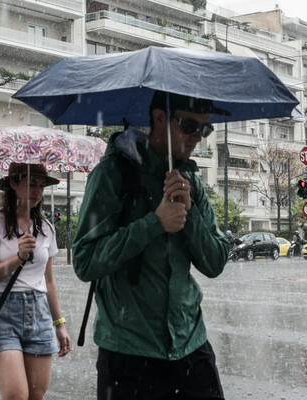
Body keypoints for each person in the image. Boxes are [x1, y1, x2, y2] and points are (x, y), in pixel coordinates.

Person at [73, 91, 230, 400]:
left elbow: (215, 262)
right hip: (129, 353)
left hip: (190, 345)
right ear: (159, 118)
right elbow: (85, 261)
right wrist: (154, 223)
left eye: (205, 128)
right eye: (189, 126)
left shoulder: (190, 181)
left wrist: (190, 213)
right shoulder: (112, 175)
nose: (198, 136)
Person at [0, 162, 71, 400]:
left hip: (39, 314)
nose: (38, 191)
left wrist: (59, 324)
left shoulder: (46, 228)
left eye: (41, 185)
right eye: (31, 184)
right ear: (13, 184)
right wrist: (17, 258)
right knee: (16, 395)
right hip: (2, 314)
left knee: (36, 395)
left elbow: (48, 281)